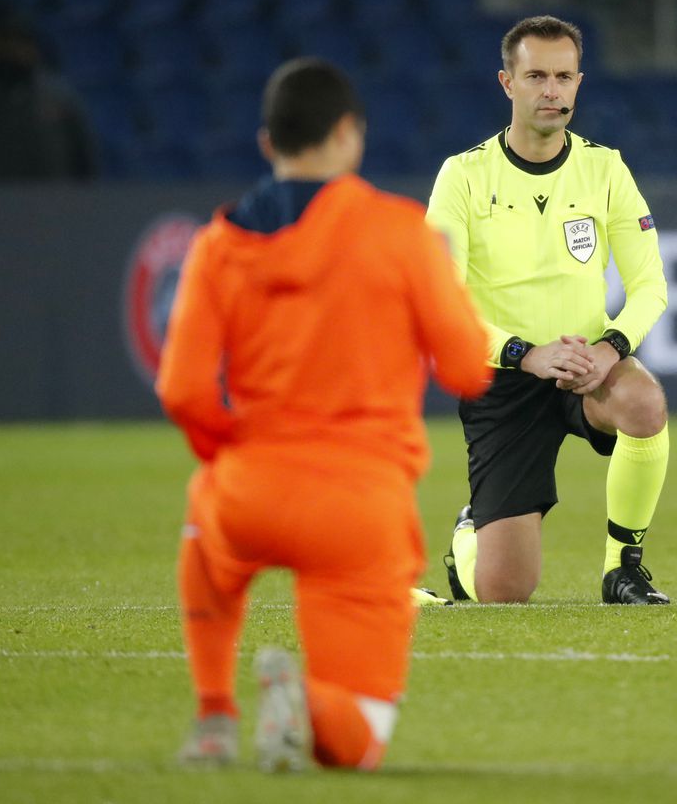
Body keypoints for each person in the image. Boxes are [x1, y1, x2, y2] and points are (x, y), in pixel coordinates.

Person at [156, 57, 491, 771]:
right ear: (348, 134)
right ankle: (303, 703)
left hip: (249, 487)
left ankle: (215, 714)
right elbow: (467, 367)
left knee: (202, 523)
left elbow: (182, 389)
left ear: (266, 143)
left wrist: (234, 453)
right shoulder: (400, 232)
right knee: (356, 740)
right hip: (359, 506)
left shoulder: (217, 244)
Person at [426, 15, 671, 605]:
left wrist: (611, 349)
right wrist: (522, 353)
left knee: (643, 400)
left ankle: (624, 568)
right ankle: (471, 540)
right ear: (507, 83)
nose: (552, 90)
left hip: (586, 365)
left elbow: (650, 287)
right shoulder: (462, 176)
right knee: (505, 596)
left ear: (579, 82)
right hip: (502, 380)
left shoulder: (605, 168)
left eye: (564, 77)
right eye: (536, 75)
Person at [0, 4, 98, 179]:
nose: (15, 52)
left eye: (21, 44)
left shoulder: (62, 101)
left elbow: (85, 164)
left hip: (53, 200)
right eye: (7, 44)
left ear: (34, 49)